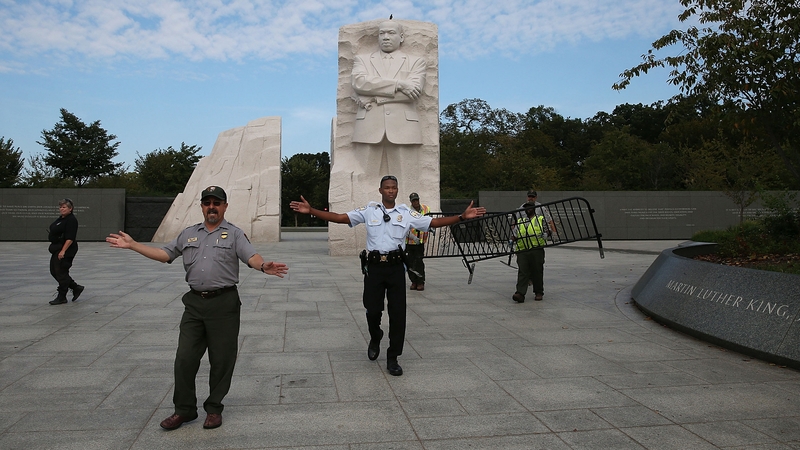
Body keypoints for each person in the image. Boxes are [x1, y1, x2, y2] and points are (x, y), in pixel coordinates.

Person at [106, 186, 288, 431]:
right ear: (202, 206)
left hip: (224, 304)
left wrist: (263, 265)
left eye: (217, 203)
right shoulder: (188, 234)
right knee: (184, 359)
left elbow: (251, 256)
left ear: (224, 206)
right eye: (207, 203)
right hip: (194, 304)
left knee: (221, 360)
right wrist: (134, 245)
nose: (211, 207)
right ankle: (184, 410)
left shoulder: (234, 234)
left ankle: (213, 408)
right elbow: (164, 254)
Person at [290, 175, 485, 376]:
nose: (391, 191)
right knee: (372, 311)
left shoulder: (406, 213)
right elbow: (341, 218)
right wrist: (311, 211)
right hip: (374, 269)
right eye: (387, 188)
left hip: (395, 268)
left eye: (394, 188)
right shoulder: (369, 210)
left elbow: (433, 222)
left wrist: (461, 217)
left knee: (398, 314)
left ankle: (393, 357)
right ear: (380, 190)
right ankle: (376, 337)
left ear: (397, 190)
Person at [351, 20, 426, 145]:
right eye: (382, 33)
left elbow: (413, 93)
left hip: (405, 128)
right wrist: (399, 84)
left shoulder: (416, 62)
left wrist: (374, 97)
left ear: (401, 37)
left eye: (391, 33)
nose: (386, 37)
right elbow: (359, 83)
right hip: (367, 127)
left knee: (406, 165)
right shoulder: (362, 60)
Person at [47, 198, 84, 305]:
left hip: (66, 249)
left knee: (61, 272)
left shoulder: (71, 220)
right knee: (54, 271)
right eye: (60, 207)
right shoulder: (61, 219)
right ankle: (75, 287)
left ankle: (62, 296)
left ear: (70, 209)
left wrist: (63, 251)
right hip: (56, 248)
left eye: (64, 207)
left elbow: (70, 238)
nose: (61, 209)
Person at [512, 202, 549, 303]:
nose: (528, 209)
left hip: (536, 249)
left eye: (530, 207)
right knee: (523, 272)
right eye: (526, 208)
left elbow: (547, 230)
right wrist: (512, 240)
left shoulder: (540, 219)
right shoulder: (520, 221)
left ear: (534, 208)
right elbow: (515, 234)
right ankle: (520, 293)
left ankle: (538, 292)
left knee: (537, 271)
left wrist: (546, 234)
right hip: (522, 250)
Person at [405, 192, 430, 291]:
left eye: (417, 200)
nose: (415, 202)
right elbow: (405, 228)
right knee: (410, 263)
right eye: (413, 201)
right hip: (410, 242)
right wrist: (413, 237)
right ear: (411, 202)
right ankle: (413, 281)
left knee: (419, 262)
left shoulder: (425, 209)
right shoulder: (407, 211)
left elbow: (428, 220)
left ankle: (420, 282)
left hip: (420, 242)